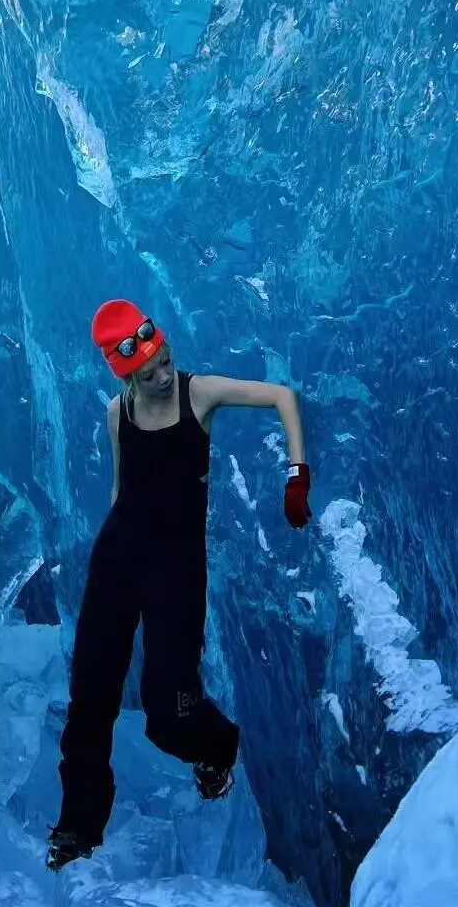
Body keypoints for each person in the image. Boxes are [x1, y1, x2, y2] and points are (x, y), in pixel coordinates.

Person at [47, 298, 312, 872]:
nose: (164, 374)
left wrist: (298, 475)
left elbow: (282, 397)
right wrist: (112, 561)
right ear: (125, 374)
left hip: (177, 570)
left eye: (165, 359)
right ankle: (76, 831)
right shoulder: (117, 414)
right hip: (119, 560)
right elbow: (122, 490)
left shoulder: (200, 394)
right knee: (90, 698)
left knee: (171, 712)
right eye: (150, 371)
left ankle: (218, 747)